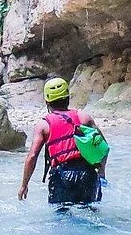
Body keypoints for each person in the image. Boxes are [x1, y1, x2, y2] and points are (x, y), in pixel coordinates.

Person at [17, 78, 105, 206]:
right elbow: (102, 146)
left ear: (47, 102)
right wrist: (101, 173)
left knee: (61, 214)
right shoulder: (83, 117)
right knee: (89, 211)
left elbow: (32, 156)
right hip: (87, 174)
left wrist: (24, 185)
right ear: (68, 98)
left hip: (62, 176)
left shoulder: (44, 125)